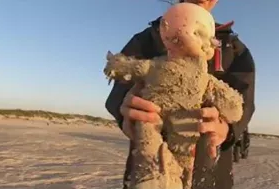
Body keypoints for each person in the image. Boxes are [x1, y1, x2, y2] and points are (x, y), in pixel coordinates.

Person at [105, 0, 256, 188]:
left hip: (213, 175)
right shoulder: (146, 39)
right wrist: (126, 110)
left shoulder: (233, 49)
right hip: (149, 168)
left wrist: (227, 129)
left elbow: (244, 104)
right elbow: (118, 90)